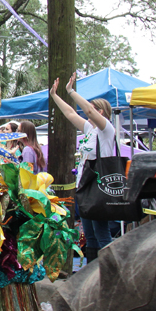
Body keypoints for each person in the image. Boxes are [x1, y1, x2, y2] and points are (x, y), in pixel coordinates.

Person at [49, 75, 115, 261]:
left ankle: (110, 271)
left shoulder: (106, 130)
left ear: (101, 112)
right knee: (90, 233)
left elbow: (87, 109)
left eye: (93, 110)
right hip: (85, 187)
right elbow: (71, 114)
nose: (88, 113)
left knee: (102, 233)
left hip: (99, 187)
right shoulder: (90, 130)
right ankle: (92, 270)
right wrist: (55, 96)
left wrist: (71, 91)